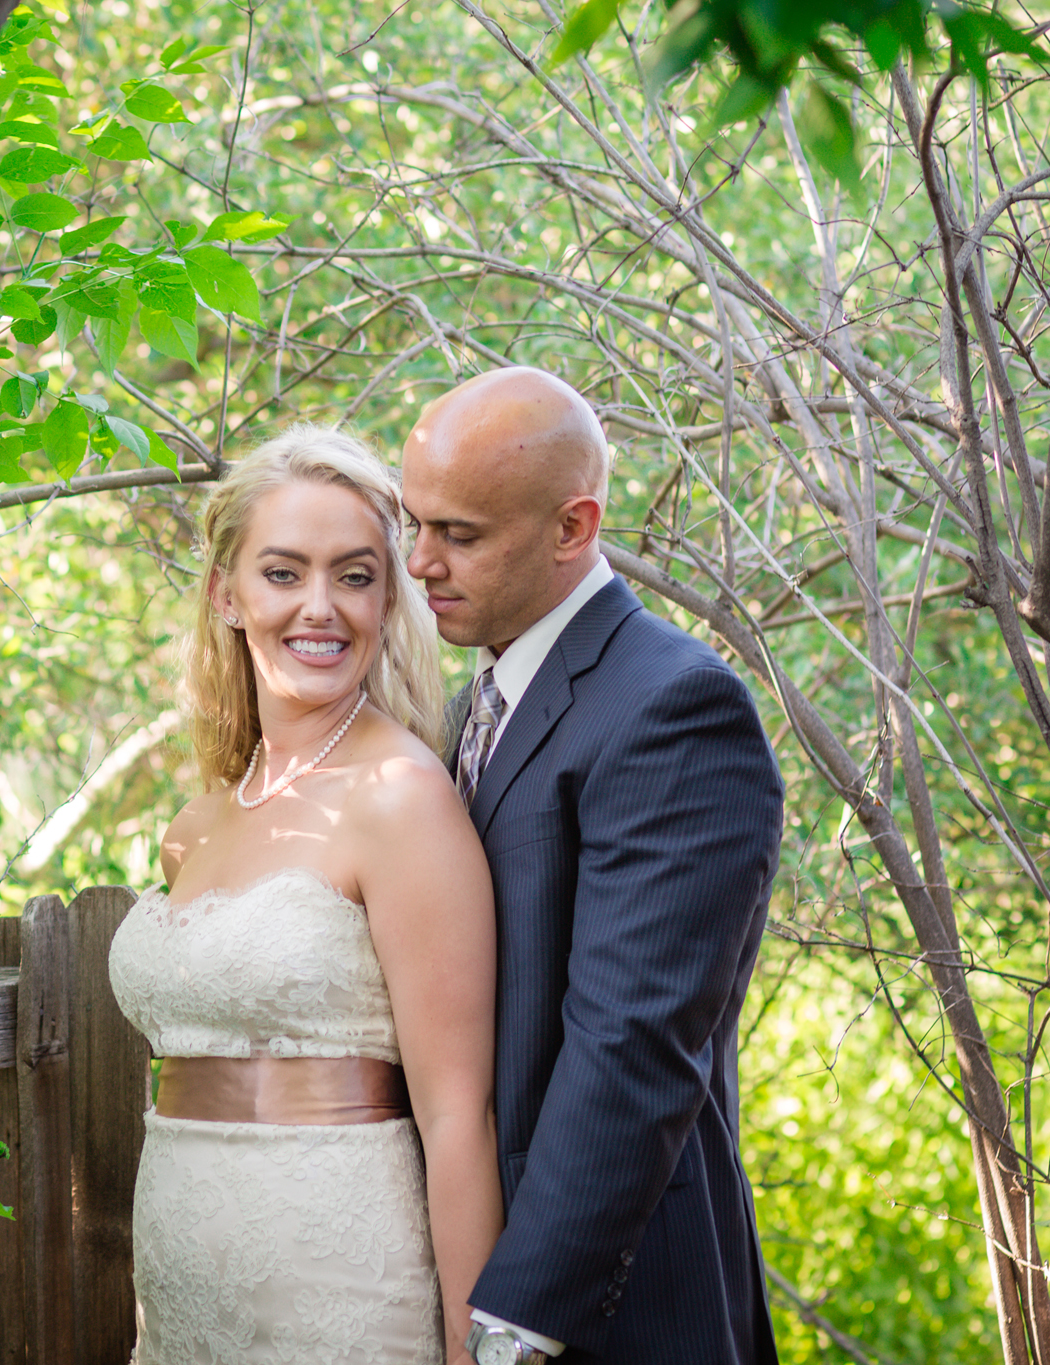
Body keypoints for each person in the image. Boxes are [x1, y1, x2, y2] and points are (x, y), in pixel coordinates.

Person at [401, 367, 784, 1365]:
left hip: (607, 1307)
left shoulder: (673, 707)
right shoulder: (468, 709)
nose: (417, 562)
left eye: (458, 534)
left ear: (572, 528)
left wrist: (513, 1326)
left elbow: (634, 1040)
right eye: (414, 524)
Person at [109, 425, 501, 1363]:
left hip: (341, 1293)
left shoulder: (401, 801)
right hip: (181, 1300)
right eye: (284, 573)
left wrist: (472, 1348)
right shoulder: (199, 822)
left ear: (386, 596)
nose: (320, 607)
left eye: (355, 575)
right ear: (227, 594)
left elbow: (457, 1115)